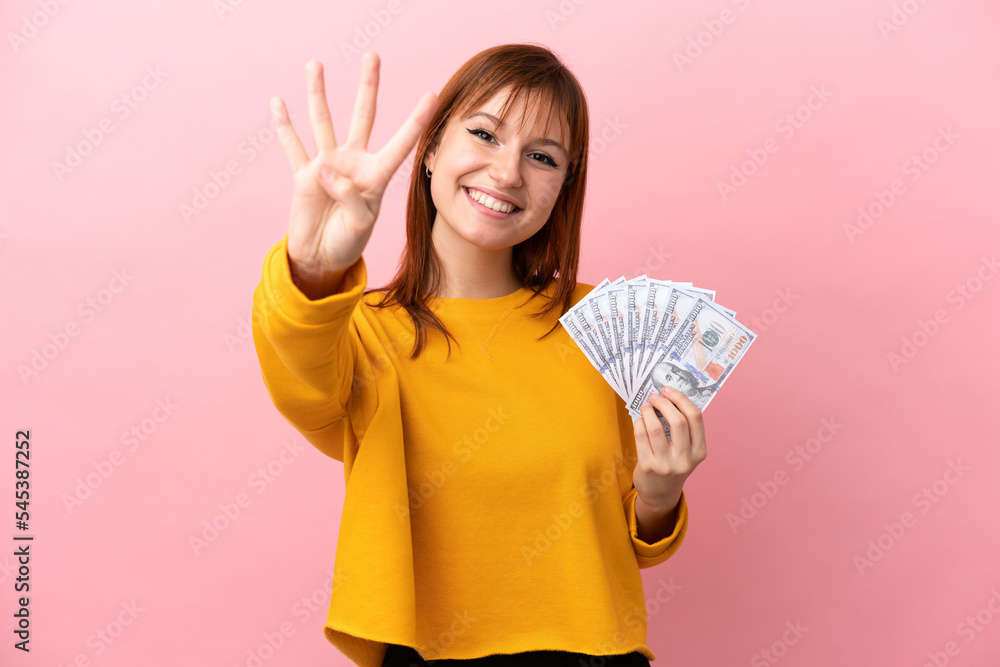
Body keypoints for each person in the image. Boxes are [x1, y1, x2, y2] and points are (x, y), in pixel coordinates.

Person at [251, 43, 708, 667]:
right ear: (432, 147)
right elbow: (296, 368)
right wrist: (313, 267)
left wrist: (660, 495)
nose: (507, 173)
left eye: (542, 157)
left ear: (562, 189)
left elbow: (635, 538)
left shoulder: (606, 327)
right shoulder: (356, 332)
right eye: (485, 134)